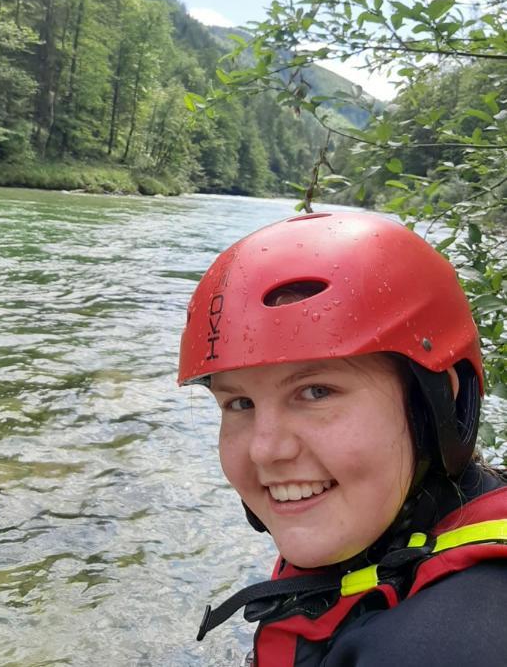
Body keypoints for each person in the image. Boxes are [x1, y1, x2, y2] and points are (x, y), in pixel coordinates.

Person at [177, 211, 507, 666]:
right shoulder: (399, 537)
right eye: (239, 404)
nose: (266, 449)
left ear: (436, 405)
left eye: (316, 392)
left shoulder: (444, 646)